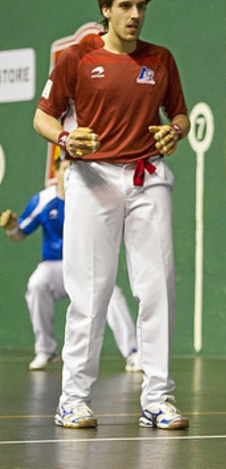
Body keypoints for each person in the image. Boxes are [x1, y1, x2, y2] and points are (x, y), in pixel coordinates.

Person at [32, 0, 190, 430]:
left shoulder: (160, 59)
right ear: (106, 9)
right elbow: (42, 117)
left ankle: (157, 398)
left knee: (158, 288)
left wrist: (175, 131)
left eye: (141, 6)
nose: (135, 15)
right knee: (90, 291)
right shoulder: (76, 58)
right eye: (125, 6)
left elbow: (179, 114)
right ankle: (72, 399)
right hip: (92, 179)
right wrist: (66, 138)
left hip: (147, 177)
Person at [1, 158, 142, 373]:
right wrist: (12, 228)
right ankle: (46, 350)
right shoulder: (43, 200)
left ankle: (133, 353)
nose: (69, 174)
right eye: (65, 169)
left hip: (87, 266)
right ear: (56, 172)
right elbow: (19, 234)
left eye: (73, 169)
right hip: (55, 266)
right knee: (37, 284)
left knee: (113, 295)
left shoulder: (92, 198)